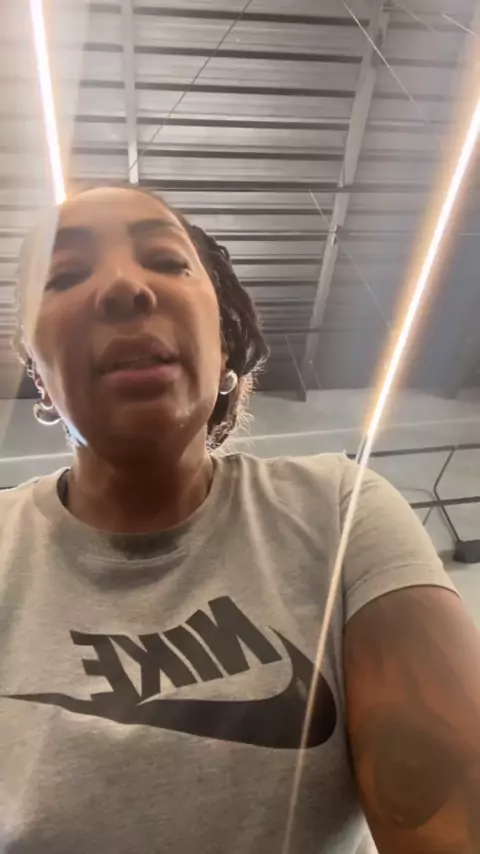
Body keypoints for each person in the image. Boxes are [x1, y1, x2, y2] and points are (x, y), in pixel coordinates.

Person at [1, 185, 479, 854]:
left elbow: (444, 817)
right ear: (38, 373)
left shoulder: (337, 510)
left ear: (224, 346)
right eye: (66, 274)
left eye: (166, 261)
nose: (124, 287)